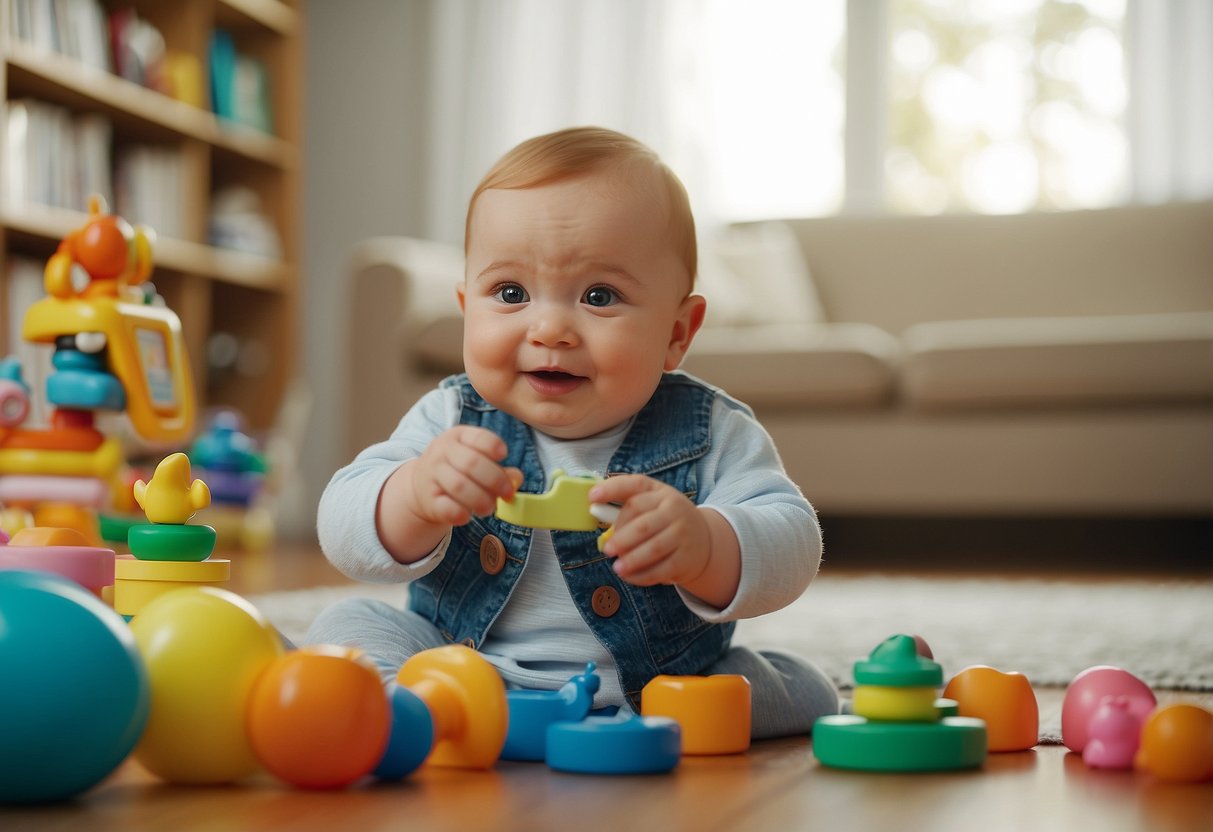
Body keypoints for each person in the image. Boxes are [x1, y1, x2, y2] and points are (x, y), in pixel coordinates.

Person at [307, 126, 839, 738]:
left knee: (794, 690)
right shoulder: (450, 418)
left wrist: (706, 544)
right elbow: (341, 523)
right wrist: (411, 495)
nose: (551, 328)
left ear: (677, 332)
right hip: (458, 668)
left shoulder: (709, 430)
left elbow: (795, 540)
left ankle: (454, 724)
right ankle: (420, 713)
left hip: (659, 689)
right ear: (465, 306)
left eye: (598, 295)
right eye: (511, 293)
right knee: (345, 627)